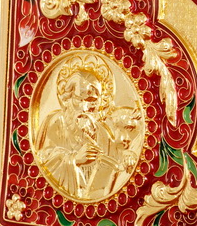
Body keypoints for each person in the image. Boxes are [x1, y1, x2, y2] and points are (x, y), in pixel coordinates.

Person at [35, 55, 138, 201]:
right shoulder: (56, 121)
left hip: (98, 201)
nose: (85, 107)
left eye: (92, 100)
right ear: (68, 98)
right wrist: (74, 159)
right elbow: (42, 162)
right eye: (79, 99)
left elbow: (114, 160)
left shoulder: (102, 132)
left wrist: (127, 156)